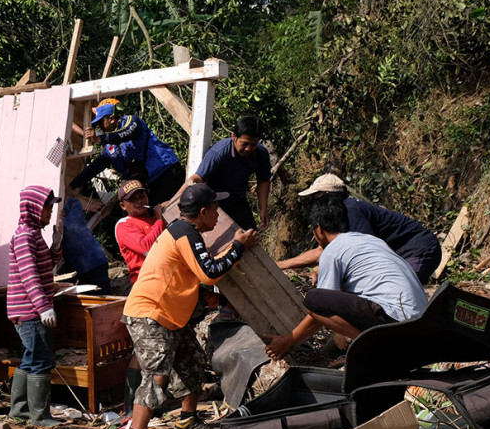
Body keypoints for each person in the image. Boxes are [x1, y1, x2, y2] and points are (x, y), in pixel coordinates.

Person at [120, 184, 258, 429]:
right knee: (157, 376)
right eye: (216, 210)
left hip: (168, 315)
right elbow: (208, 273)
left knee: (192, 361)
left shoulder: (185, 231)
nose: (218, 216)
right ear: (204, 211)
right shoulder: (185, 233)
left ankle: (187, 421)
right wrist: (238, 247)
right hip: (150, 314)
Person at [263, 201, 428, 361]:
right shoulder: (371, 241)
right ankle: (373, 344)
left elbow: (319, 308)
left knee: (314, 299)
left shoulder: (332, 251)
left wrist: (288, 340)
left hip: (397, 321)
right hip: (422, 321)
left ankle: (372, 346)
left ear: (318, 229)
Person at [277, 173, 442, 284]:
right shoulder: (339, 213)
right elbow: (322, 250)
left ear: (327, 195)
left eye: (316, 196)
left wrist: (321, 271)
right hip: (401, 254)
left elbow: (366, 251)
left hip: (419, 250)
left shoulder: (351, 211)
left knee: (398, 289)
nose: (314, 201)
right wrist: (280, 265)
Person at [7, 185, 64, 426]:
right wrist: (43, 307)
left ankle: (19, 411)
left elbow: (44, 265)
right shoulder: (24, 236)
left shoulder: (33, 234)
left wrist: (56, 246)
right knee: (41, 359)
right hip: (30, 311)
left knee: (31, 359)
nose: (50, 211)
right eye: (47, 206)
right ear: (33, 208)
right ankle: (40, 417)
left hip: (30, 310)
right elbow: (29, 275)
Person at [113, 178, 167, 414]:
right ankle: (131, 407)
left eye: (141, 196)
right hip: (145, 292)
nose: (139, 201)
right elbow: (147, 246)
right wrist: (159, 219)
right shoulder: (124, 225)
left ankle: (152, 404)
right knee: (144, 351)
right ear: (123, 205)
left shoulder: (155, 220)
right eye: (132, 199)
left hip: (165, 291)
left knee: (160, 349)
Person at [69, 99, 184, 206]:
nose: (98, 127)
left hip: (167, 173)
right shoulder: (110, 148)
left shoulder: (132, 122)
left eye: (100, 122)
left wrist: (101, 139)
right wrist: (72, 185)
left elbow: (127, 132)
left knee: (181, 209)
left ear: (112, 118)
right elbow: (94, 168)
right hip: (148, 186)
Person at [187, 116, 271, 230]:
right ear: (234, 137)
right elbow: (197, 178)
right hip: (214, 205)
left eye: (253, 144)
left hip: (238, 202)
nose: (248, 149)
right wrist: (175, 200)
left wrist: (263, 208)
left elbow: (263, 180)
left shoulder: (261, 153)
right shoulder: (218, 153)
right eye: (245, 143)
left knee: (250, 235)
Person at [60, 197, 111, 294]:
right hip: (76, 265)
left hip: (94, 262)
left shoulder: (73, 203)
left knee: (102, 297)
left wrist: (61, 217)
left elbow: (73, 224)